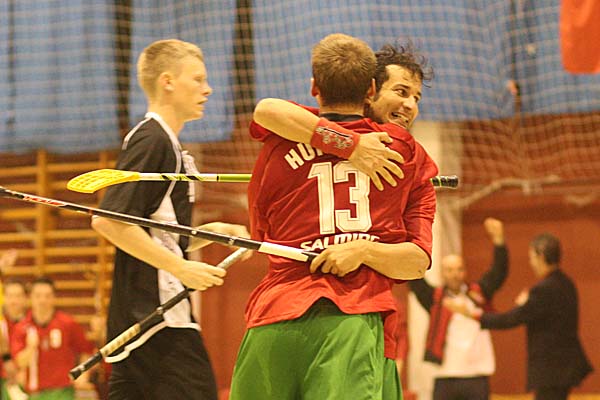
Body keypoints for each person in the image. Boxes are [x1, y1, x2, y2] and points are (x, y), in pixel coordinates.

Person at [229, 33, 438, 399]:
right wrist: (351, 146)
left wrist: (362, 250)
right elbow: (416, 263)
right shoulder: (408, 152)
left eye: (416, 97)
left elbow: (261, 229)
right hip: (351, 317)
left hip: (273, 317)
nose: (410, 105)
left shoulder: (282, 138)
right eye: (401, 91)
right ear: (370, 90)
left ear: (315, 86)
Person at [90, 39, 249, 400]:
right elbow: (110, 221)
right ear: (167, 82)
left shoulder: (165, 143)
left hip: (147, 319)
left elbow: (157, 233)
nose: (207, 89)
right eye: (198, 79)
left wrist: (212, 233)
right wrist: (181, 268)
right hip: (158, 317)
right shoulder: (152, 140)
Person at [446, 232, 593, 400]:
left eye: (531, 257)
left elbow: (509, 319)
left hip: (551, 368)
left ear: (541, 256)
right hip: (565, 365)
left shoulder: (543, 290)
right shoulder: (566, 283)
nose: (531, 263)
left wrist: (470, 313)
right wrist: (525, 305)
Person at [407, 218, 507, 399]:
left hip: (476, 375)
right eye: (450, 270)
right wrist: (410, 243)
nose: (455, 274)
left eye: (459, 269)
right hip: (445, 375)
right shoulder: (435, 299)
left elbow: (498, 273)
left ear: (464, 271)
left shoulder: (478, 294)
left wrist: (499, 241)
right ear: (443, 272)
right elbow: (415, 282)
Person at [11, 277, 94, 399]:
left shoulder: (68, 324)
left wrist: (83, 373)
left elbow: (86, 351)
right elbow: (19, 362)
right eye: (38, 296)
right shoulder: (21, 327)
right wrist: (31, 348)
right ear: (31, 298)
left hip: (63, 392)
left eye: (47, 296)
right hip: (34, 393)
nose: (42, 300)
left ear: (54, 298)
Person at [1, 279, 28, 399]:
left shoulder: (33, 324)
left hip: (27, 383)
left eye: (18, 296)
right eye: (10, 296)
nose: (13, 301)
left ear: (25, 299)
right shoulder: (2, 324)